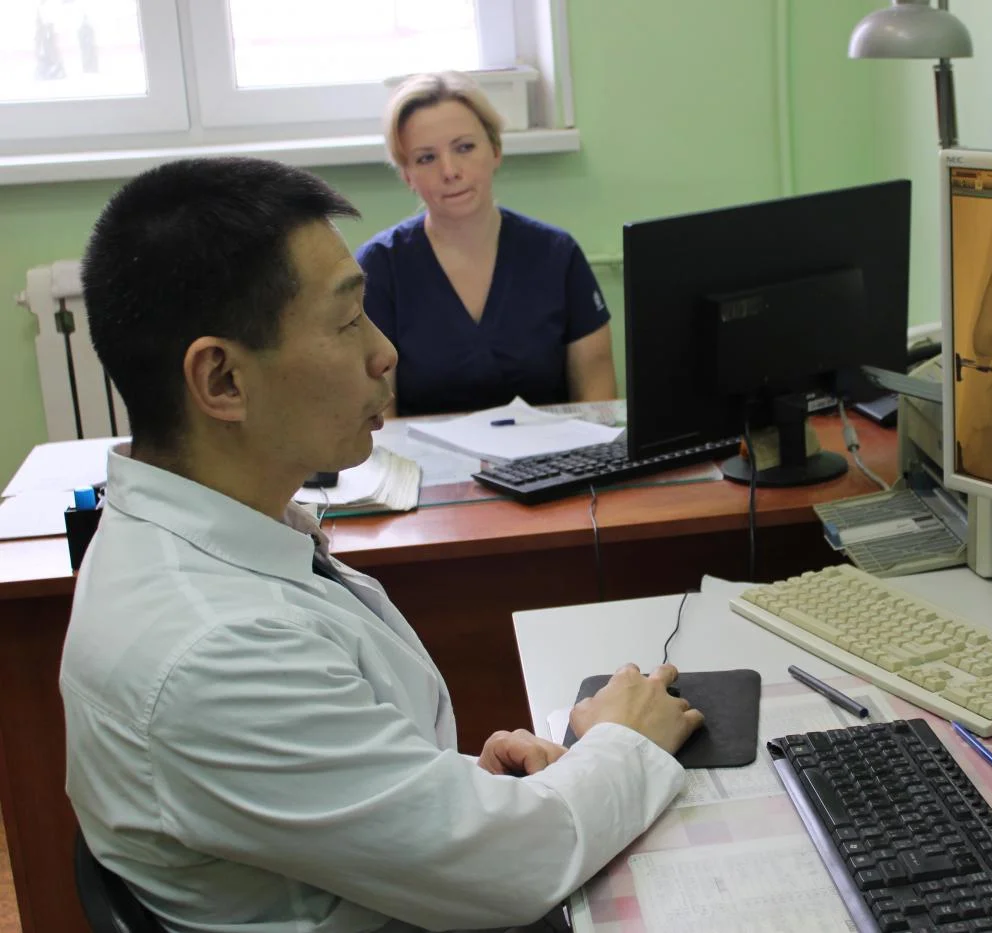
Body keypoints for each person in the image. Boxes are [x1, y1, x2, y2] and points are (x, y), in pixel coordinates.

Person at [61, 156, 703, 933]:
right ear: (223, 380)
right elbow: (518, 866)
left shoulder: (198, 532)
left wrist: (451, 785)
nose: (385, 351)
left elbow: (304, 775)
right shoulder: (216, 647)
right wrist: (624, 740)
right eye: (346, 322)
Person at [356, 71, 616, 416]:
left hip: (552, 451)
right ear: (407, 176)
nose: (450, 171)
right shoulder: (379, 268)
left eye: (464, 148)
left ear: (495, 150)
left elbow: (599, 404)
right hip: (421, 454)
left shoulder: (557, 255)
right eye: (426, 158)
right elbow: (375, 420)